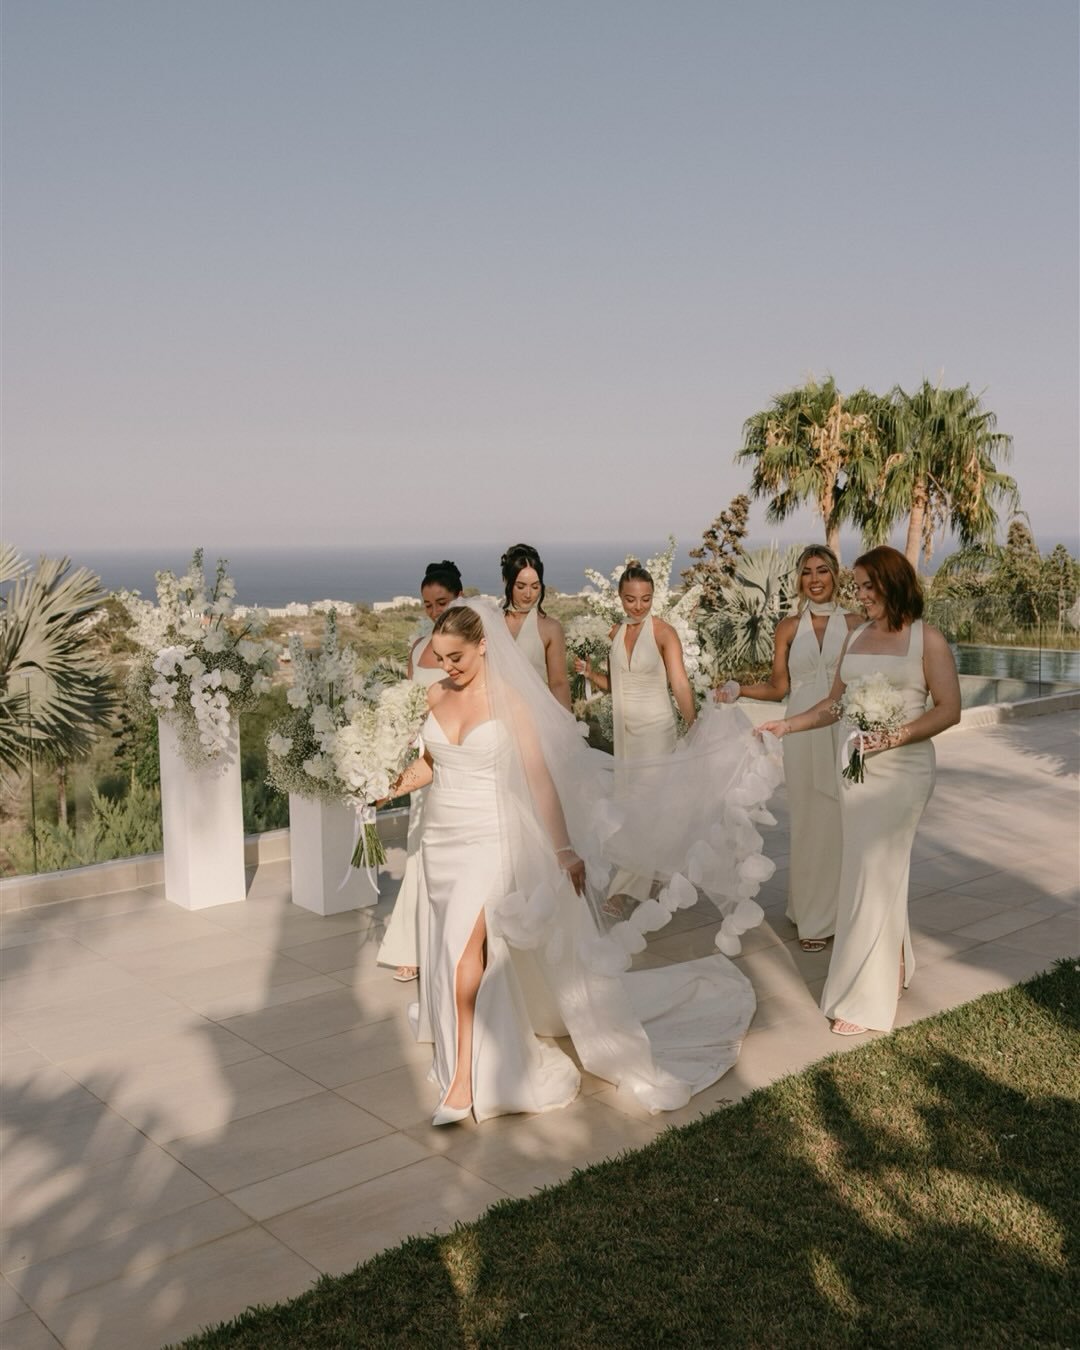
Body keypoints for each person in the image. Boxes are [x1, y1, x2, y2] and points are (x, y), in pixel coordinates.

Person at [388, 599, 779, 1125]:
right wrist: (381, 785)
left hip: (488, 841)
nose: (446, 668)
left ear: (483, 645)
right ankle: (475, 1052)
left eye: (455, 656)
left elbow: (540, 781)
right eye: (440, 657)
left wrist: (563, 849)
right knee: (446, 946)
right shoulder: (435, 693)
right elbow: (431, 764)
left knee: (463, 951)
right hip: (440, 840)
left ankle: (462, 1083)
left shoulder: (511, 704)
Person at [759, 547, 961, 1035]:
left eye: (869, 586)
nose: (861, 595)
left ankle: (866, 997)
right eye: (859, 586)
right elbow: (834, 705)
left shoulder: (926, 640)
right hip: (855, 769)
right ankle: (893, 965)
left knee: (876, 870)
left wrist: (892, 736)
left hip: (903, 771)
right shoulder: (855, 638)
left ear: (893, 584)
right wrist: (788, 727)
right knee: (869, 871)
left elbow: (948, 709)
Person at [716, 546, 861, 952]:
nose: (815, 579)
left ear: (836, 576)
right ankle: (812, 917)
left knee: (843, 821)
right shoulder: (788, 628)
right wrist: (738, 688)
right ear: (799, 580)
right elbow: (779, 687)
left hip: (840, 724)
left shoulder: (855, 622)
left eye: (823, 571)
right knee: (810, 823)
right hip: (801, 728)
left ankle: (846, 914)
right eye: (807, 573)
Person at [574, 563, 696, 908]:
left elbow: (680, 682)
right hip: (627, 733)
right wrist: (590, 672)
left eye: (645, 599)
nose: (638, 606)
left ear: (653, 597)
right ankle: (654, 872)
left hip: (657, 729)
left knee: (645, 805)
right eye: (631, 599)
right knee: (632, 807)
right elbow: (616, 687)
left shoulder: (663, 632)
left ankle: (623, 890)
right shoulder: (614, 633)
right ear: (620, 598)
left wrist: (695, 724)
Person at [376, 560, 463, 985]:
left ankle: (453, 940)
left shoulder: (469, 649)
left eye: (441, 602)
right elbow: (411, 709)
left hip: (458, 752)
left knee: (450, 848)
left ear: (458, 599)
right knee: (417, 846)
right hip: (423, 754)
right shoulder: (416, 648)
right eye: (428, 604)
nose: (434, 611)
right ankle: (410, 945)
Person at [500, 543, 573, 711]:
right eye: (520, 586)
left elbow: (559, 683)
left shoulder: (551, 628)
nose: (528, 594)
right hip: (496, 714)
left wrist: (567, 725)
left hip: (537, 715)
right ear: (506, 582)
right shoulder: (491, 622)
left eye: (535, 586)